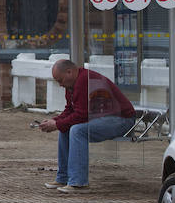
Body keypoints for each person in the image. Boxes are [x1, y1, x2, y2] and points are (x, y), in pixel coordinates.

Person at [39, 59, 136, 193]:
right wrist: (54, 121)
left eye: (60, 80)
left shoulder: (84, 81)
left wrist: (57, 124)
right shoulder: (72, 84)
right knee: (66, 128)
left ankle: (78, 183)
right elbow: (70, 110)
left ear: (69, 72)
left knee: (77, 130)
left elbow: (82, 115)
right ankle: (63, 177)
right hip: (105, 118)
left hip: (122, 119)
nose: (60, 85)